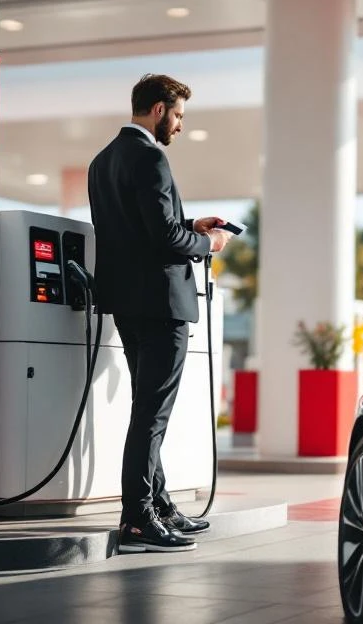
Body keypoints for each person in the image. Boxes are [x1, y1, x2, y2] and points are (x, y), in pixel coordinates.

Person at [88, 74, 232, 553]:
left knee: (147, 408)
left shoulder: (102, 161)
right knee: (152, 413)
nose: (179, 126)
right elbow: (164, 240)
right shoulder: (151, 157)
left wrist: (191, 223)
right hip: (160, 303)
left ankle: (159, 504)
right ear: (157, 110)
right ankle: (137, 519)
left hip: (127, 303)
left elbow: (140, 227)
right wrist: (206, 243)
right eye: (178, 116)